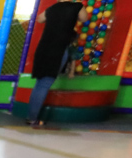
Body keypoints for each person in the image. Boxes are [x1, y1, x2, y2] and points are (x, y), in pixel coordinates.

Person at [27, 0, 88, 128]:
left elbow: (40, 19)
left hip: (43, 48)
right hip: (58, 49)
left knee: (39, 84)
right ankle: (32, 118)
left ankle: (32, 117)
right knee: (44, 84)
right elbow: (84, 18)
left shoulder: (53, 8)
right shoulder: (77, 6)